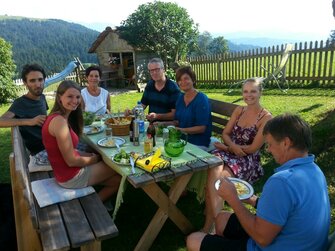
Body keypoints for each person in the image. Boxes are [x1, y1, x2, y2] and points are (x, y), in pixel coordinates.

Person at [187, 113, 330, 251]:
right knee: (222, 218)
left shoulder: (282, 181)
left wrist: (233, 199)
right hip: (300, 242)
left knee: (193, 240)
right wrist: (253, 200)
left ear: (286, 143)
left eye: (270, 144)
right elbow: (289, 208)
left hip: (271, 244)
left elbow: (262, 238)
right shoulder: (314, 170)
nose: (268, 149)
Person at [203, 78, 272, 232]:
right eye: (245, 91)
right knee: (214, 169)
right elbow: (225, 133)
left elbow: (253, 148)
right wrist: (231, 146)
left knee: (218, 181)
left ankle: (213, 225)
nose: (249, 95)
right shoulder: (239, 110)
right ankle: (214, 223)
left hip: (247, 159)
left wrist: (228, 148)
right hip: (229, 151)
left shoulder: (266, 118)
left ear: (260, 92)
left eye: (253, 91)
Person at [42, 80, 120, 203]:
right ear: (59, 97)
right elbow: (72, 161)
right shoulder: (59, 122)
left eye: (78, 97)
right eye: (70, 96)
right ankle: (93, 208)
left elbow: (70, 150)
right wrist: (95, 159)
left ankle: (97, 205)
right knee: (116, 165)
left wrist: (89, 155)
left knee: (117, 180)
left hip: (63, 173)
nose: (75, 101)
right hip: (70, 177)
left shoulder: (58, 117)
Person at [0, 64, 48, 157]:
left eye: (40, 79)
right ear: (25, 83)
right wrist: (30, 121)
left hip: (50, 141)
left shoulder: (42, 97)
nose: (38, 85)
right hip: (39, 151)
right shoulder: (20, 103)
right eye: (32, 81)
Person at [173, 66, 212, 150]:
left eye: (186, 78)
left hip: (198, 142)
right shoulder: (180, 98)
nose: (183, 82)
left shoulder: (201, 99)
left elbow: (202, 128)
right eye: (179, 79)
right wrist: (162, 124)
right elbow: (177, 121)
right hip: (182, 140)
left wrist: (180, 130)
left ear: (193, 79)